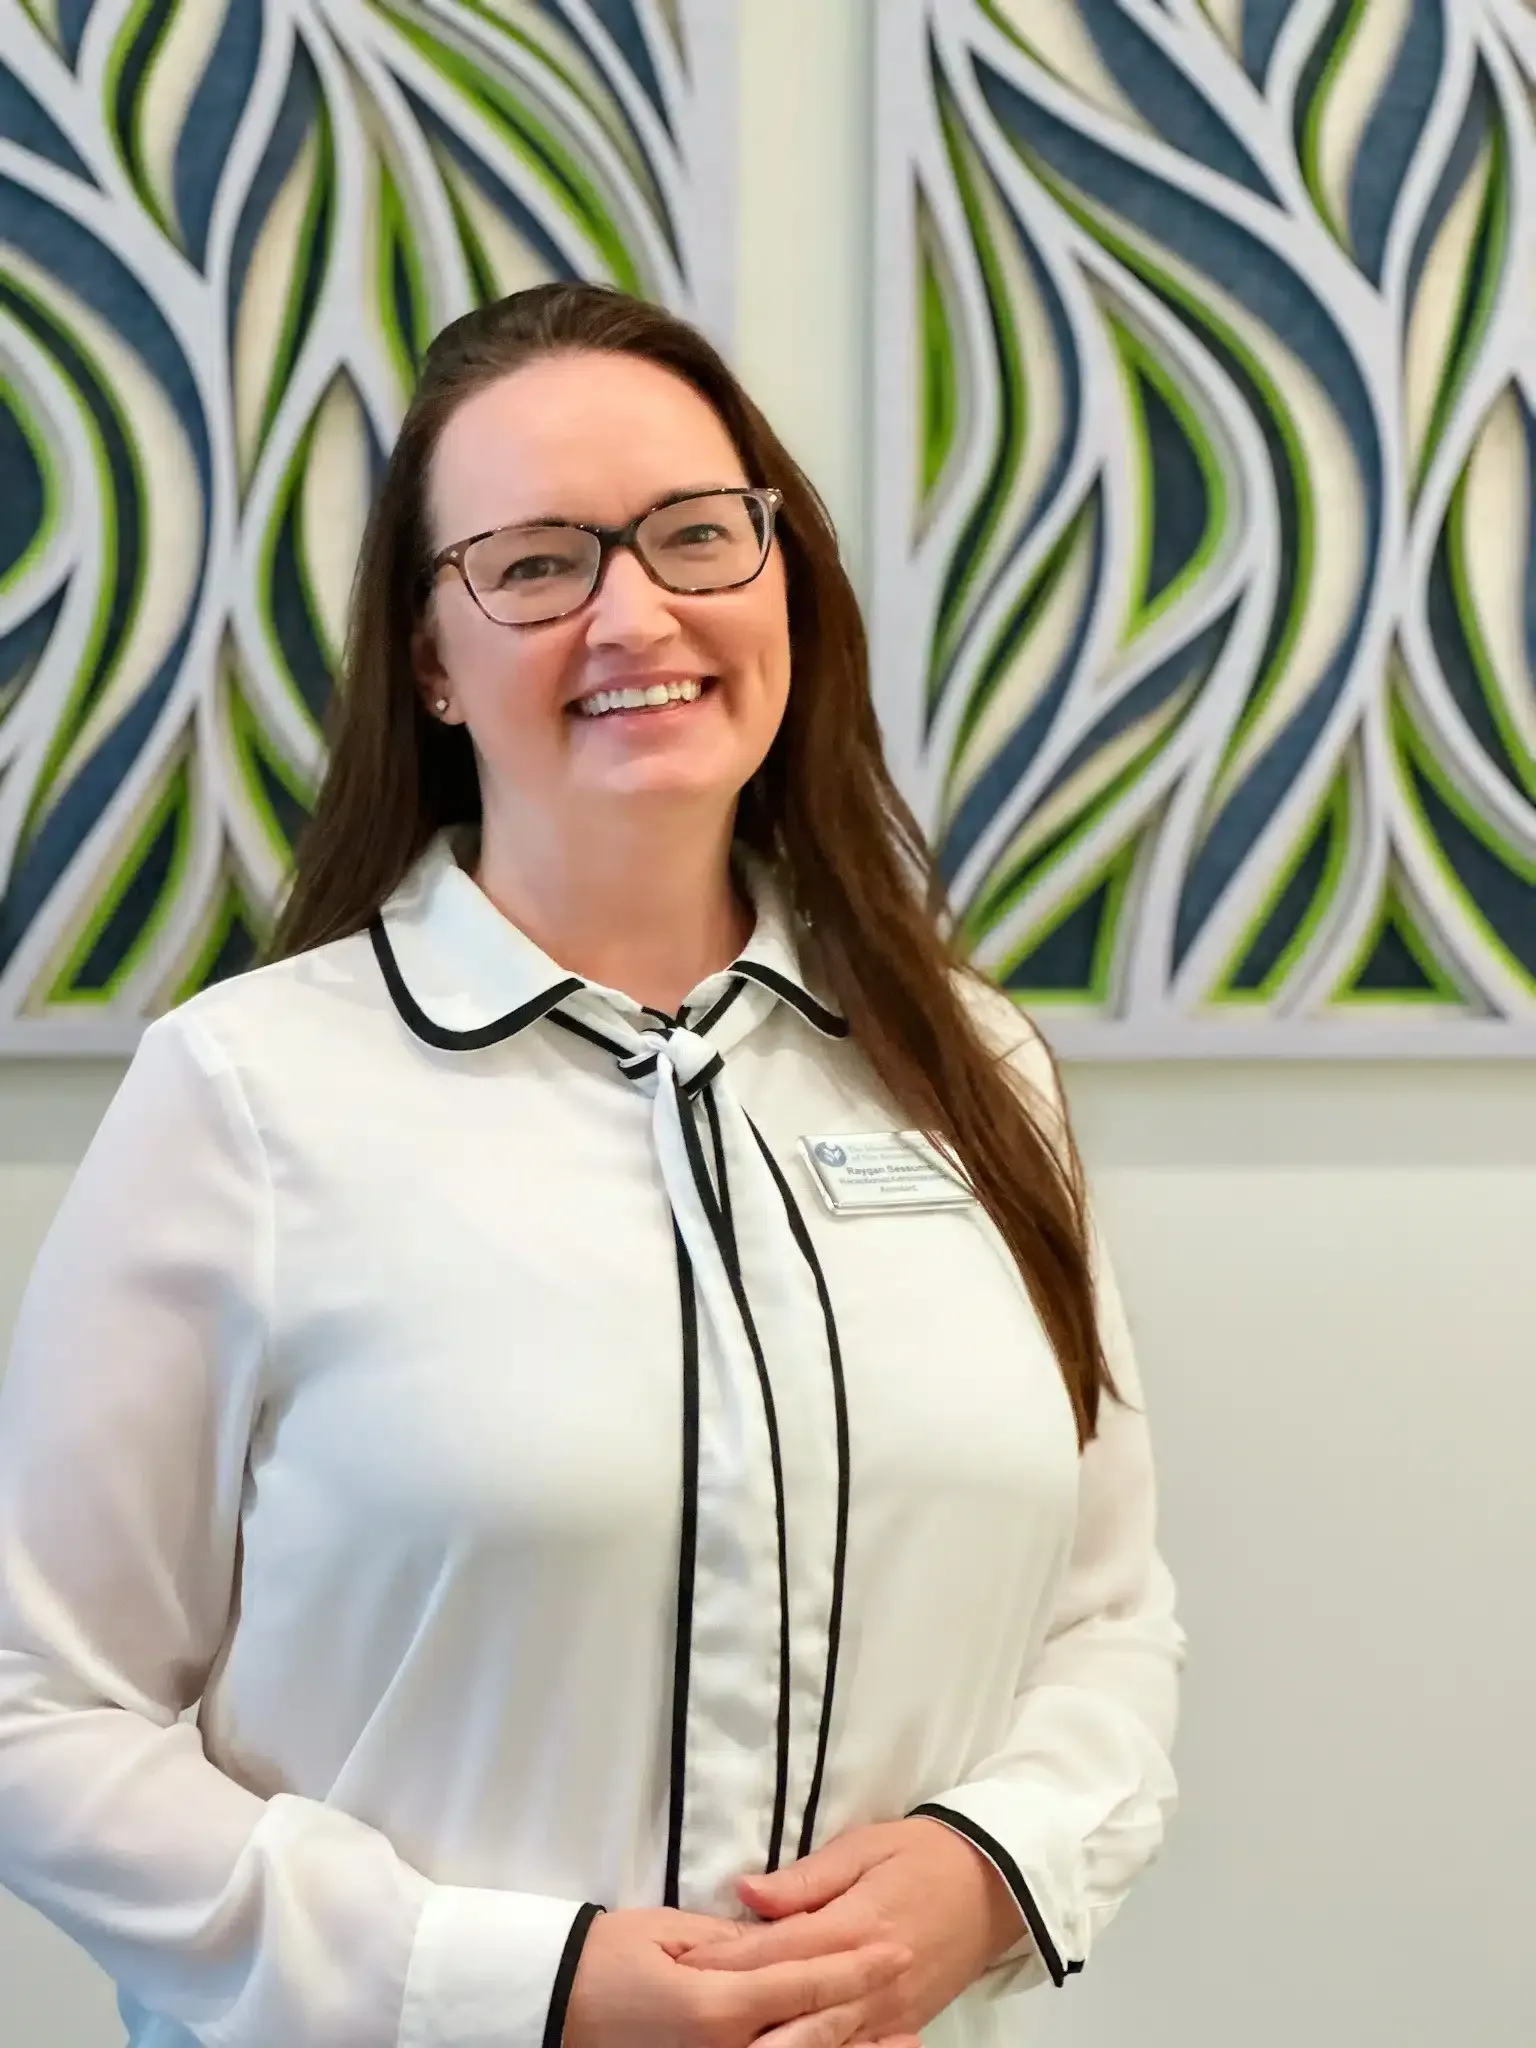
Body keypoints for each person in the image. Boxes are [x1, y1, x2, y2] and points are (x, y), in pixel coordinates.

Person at [0, 283, 1184, 2048]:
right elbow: (37, 1712)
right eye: (537, 563)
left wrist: (990, 1865)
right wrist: (514, 1987)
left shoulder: (970, 1063)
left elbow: (1106, 1620)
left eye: (698, 535)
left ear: (781, 575)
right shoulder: (247, 1097)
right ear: (431, 660)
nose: (637, 611)